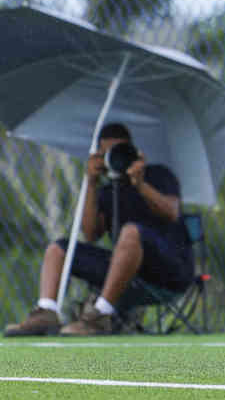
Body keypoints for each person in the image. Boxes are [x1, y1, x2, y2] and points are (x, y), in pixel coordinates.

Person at [3, 122, 194, 338]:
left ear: (134, 151)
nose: (117, 158)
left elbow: (172, 212)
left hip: (168, 270)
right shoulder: (106, 191)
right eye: (108, 154)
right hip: (123, 273)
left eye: (122, 152)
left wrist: (140, 185)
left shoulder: (158, 175)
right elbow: (91, 234)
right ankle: (46, 311)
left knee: (131, 232)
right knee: (58, 249)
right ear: (100, 157)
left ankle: (99, 316)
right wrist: (91, 183)